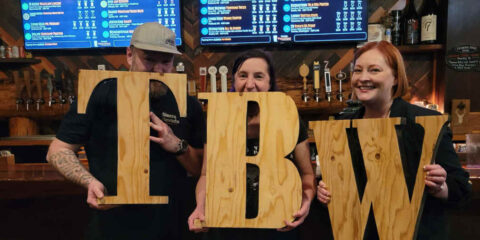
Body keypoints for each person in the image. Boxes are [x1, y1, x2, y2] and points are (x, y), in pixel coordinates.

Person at [46, 22, 206, 239]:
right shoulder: (98, 95)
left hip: (172, 226)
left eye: (166, 61)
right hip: (111, 225)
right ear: (130, 55)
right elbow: (58, 150)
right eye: (149, 59)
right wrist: (89, 182)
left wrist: (176, 144)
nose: (158, 69)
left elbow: (200, 169)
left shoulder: (187, 104)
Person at [316, 41, 472, 239]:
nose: (363, 78)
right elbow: (336, 191)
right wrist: (324, 194)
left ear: (396, 78)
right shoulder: (343, 124)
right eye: (357, 70)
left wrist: (441, 187)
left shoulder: (424, 123)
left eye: (374, 70)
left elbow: (462, 189)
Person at [188, 49, 315, 240]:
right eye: (242, 76)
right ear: (233, 80)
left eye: (258, 76)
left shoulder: (287, 118)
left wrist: (306, 202)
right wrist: (201, 207)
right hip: (229, 224)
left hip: (277, 223)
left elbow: (307, 174)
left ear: (269, 83)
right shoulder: (218, 118)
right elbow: (207, 174)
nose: (249, 84)